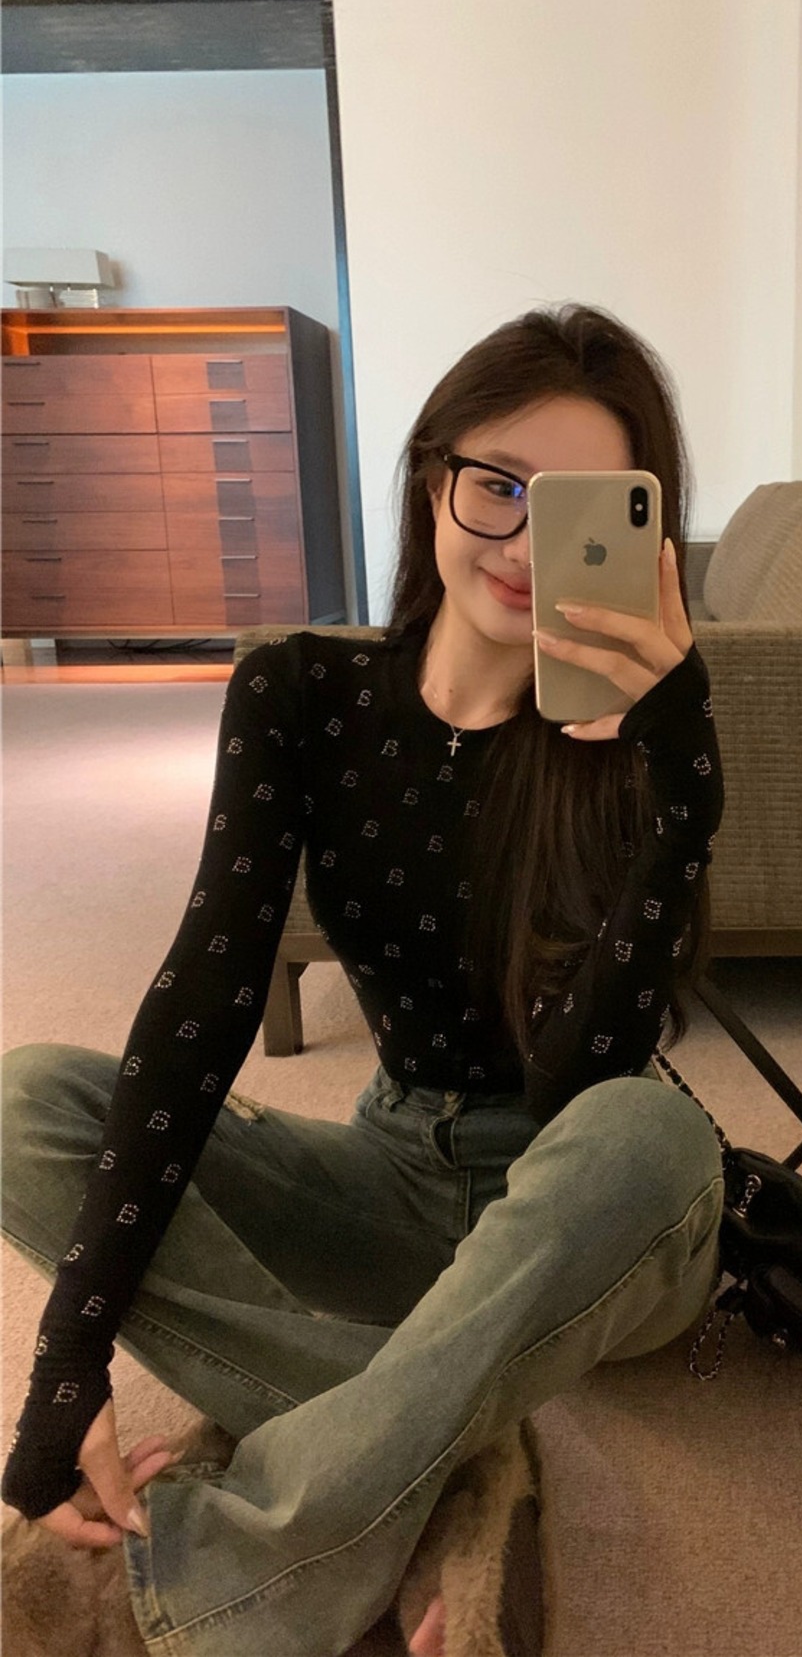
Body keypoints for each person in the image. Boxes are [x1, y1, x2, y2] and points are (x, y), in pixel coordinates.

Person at [0, 303, 726, 1657]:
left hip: (582, 1205)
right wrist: (69, 1349)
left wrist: (679, 799)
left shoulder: (636, 736)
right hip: (394, 1167)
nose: (525, 542)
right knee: (27, 1103)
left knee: (654, 1133)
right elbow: (206, 999)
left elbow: (582, 1080)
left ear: (638, 533)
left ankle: (241, 1563)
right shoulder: (300, 694)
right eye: (498, 486)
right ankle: (454, 1455)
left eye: (578, 508)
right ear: (431, 476)